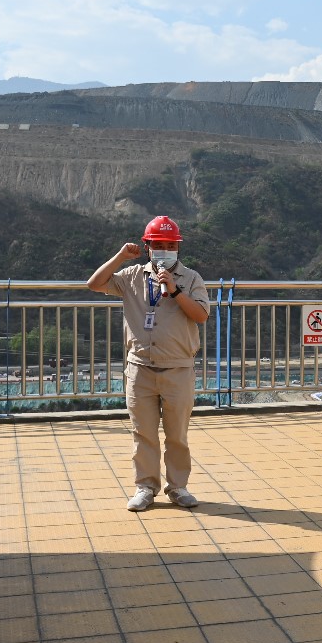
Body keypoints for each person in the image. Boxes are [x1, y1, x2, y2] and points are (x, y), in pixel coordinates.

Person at [87, 215, 212, 511]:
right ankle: (145, 487)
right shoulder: (132, 276)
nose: (165, 251)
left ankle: (178, 487)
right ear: (148, 247)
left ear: (178, 248)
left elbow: (201, 315)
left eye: (170, 245)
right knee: (143, 432)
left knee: (176, 434)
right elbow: (94, 284)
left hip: (178, 367)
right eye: (158, 245)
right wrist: (121, 256)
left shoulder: (191, 278)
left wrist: (175, 291)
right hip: (140, 367)